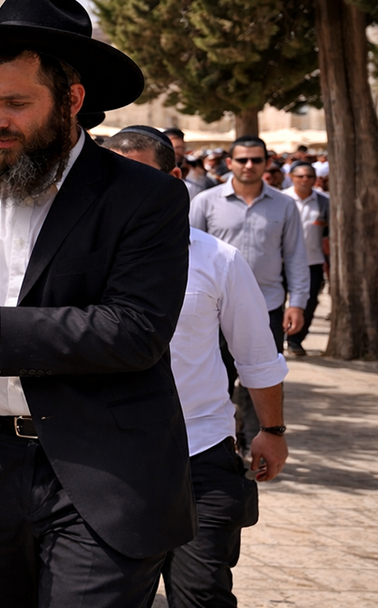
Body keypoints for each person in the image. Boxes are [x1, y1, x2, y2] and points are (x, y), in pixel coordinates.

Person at [0, 0, 196, 607]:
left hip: (101, 472)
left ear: (72, 100)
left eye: (16, 103)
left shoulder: (145, 197)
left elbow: (135, 331)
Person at [104, 126, 289, 608]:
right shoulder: (79, 261)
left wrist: (272, 429)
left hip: (199, 454)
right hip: (106, 463)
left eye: (138, 177)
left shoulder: (218, 260)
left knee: (200, 595)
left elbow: (256, 355)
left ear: (174, 180)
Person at [190, 136, 307, 449]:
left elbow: (295, 256)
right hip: (213, 311)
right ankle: (222, 443)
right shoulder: (204, 202)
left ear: (267, 163)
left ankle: (258, 441)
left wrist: (297, 303)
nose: (249, 165)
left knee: (262, 375)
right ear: (230, 163)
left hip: (268, 306)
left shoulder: (285, 205)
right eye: (242, 159)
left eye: (256, 159)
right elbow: (187, 252)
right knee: (217, 378)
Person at [282, 162, 328, 357]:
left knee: (308, 303)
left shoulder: (324, 202)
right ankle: (275, 339)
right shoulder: (281, 200)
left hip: (312, 261)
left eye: (309, 176)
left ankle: (295, 340)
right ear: (291, 177)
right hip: (281, 262)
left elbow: (330, 234)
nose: (305, 180)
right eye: (300, 176)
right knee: (276, 302)